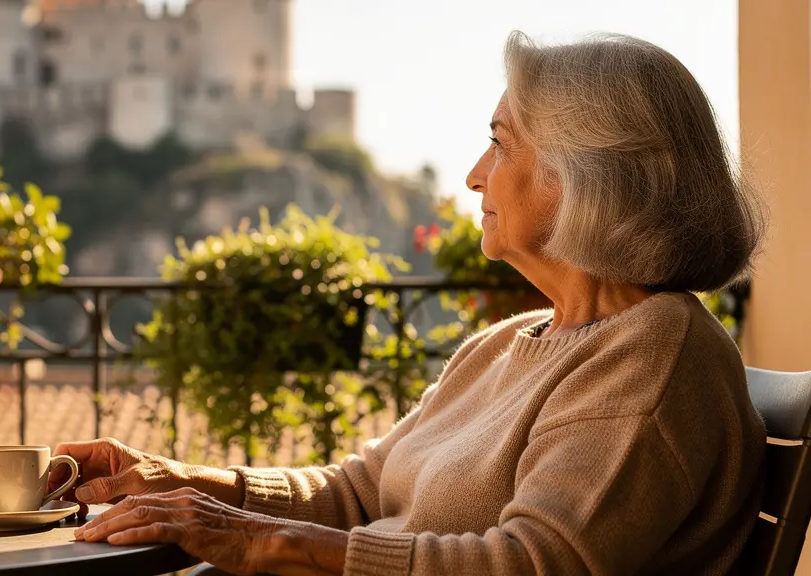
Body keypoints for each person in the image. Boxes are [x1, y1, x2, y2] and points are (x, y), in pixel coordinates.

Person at [49, 31, 768, 575]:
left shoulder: (654, 353)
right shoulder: (509, 343)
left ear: (586, 177)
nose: (474, 176)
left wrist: (264, 539)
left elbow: (533, 563)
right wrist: (174, 479)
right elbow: (357, 492)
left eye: (500, 145)